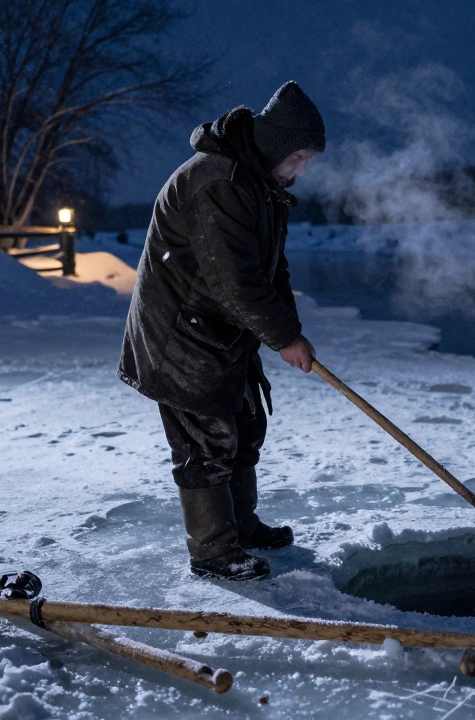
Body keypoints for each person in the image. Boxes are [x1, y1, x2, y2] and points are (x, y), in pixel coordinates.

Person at [118, 82, 323, 581]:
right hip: (181, 334)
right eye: (298, 156)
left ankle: (241, 524)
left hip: (221, 331)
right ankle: (212, 551)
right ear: (276, 145)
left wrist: (286, 331)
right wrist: (285, 340)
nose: (301, 170)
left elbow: (271, 270)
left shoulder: (259, 186)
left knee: (246, 427)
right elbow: (234, 282)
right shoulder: (217, 182)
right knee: (205, 441)